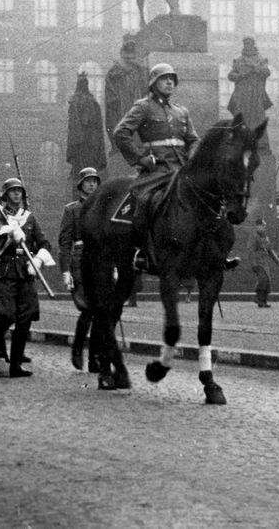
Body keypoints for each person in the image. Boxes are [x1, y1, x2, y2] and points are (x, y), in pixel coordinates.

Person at [113, 62, 199, 271]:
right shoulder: (143, 106)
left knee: (208, 200)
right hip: (157, 170)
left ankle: (210, 251)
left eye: (172, 79)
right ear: (153, 83)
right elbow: (120, 133)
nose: (170, 82)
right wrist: (141, 158)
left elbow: (194, 140)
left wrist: (191, 159)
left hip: (181, 170)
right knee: (145, 202)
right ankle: (141, 250)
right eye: (164, 78)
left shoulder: (181, 111)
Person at [0, 177, 54, 377]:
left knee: (26, 317)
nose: (16, 194)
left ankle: (15, 364)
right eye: (12, 191)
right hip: (6, 270)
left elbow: (44, 243)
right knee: (6, 314)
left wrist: (39, 259)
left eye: (19, 191)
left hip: (25, 271)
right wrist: (10, 230)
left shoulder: (29, 217)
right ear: (6, 195)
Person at [59, 166, 101, 372]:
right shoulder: (72, 209)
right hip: (80, 261)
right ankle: (77, 347)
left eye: (95, 181)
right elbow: (64, 242)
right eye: (88, 181)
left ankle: (95, 360)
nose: (92, 184)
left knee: (100, 313)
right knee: (87, 309)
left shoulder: (105, 208)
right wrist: (65, 270)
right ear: (81, 185)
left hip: (101, 263)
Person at [250, 219, 279, 307]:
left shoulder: (265, 237)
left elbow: (270, 250)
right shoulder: (253, 236)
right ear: (258, 226)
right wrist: (253, 263)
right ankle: (258, 297)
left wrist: (278, 261)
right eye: (263, 225)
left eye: (265, 225)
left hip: (264, 262)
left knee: (267, 281)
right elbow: (251, 250)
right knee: (263, 280)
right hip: (257, 261)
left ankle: (263, 301)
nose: (264, 227)